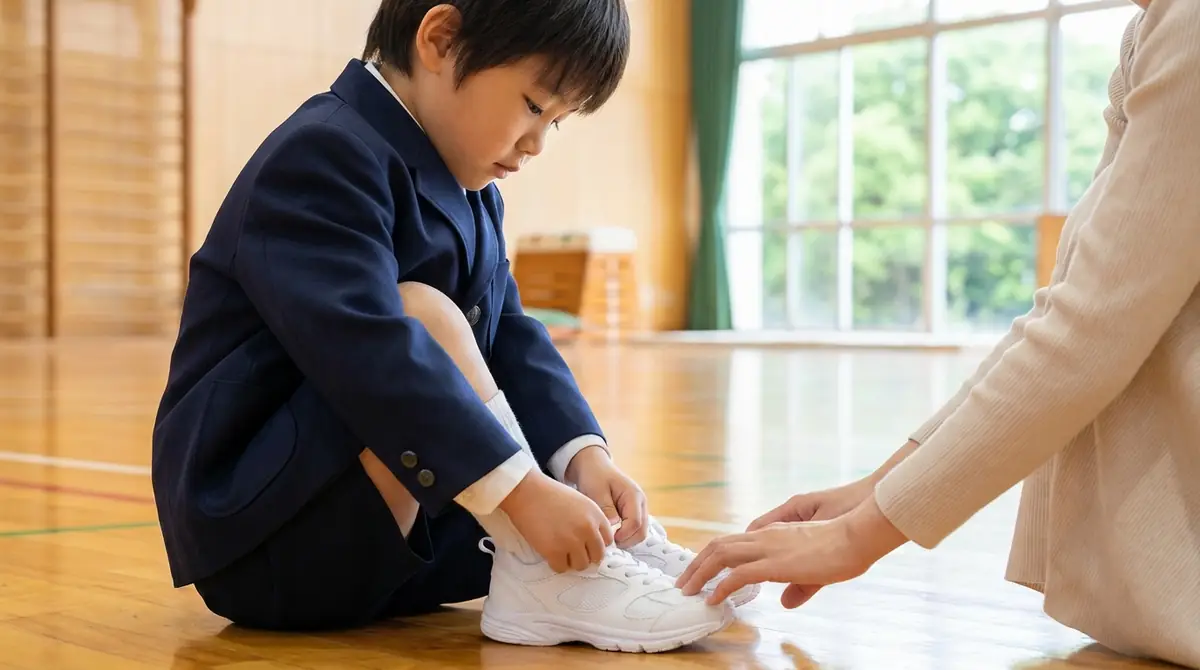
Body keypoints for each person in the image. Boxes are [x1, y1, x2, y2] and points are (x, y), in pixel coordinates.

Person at [151, 0, 756, 654]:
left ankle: (574, 553)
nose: (537, 143)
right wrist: (524, 494)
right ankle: (540, 565)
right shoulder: (323, 153)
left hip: (395, 538)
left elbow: (513, 338)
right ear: (439, 40)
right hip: (269, 543)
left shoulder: (473, 191)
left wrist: (582, 459)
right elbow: (367, 353)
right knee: (422, 314)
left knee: (466, 333)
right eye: (533, 105)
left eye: (558, 122)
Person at [678, 0, 1200, 667]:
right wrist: (873, 489)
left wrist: (857, 538)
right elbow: (1068, 312)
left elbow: (1091, 332)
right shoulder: (1155, 29)